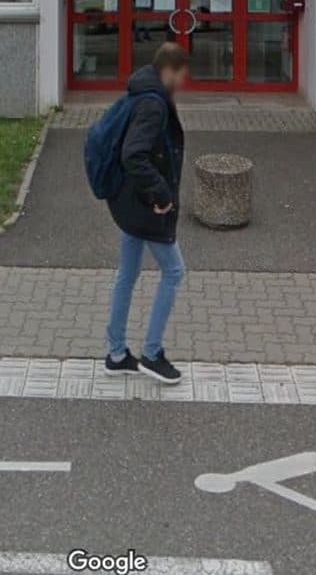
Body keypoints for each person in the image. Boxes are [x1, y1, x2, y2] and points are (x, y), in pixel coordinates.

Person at [103, 42, 190, 384]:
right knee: (174, 271)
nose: (183, 82)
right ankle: (152, 354)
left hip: (129, 203)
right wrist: (161, 194)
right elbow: (134, 154)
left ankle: (116, 353)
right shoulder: (153, 104)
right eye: (181, 75)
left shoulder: (140, 92)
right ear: (168, 71)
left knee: (128, 274)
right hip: (146, 205)